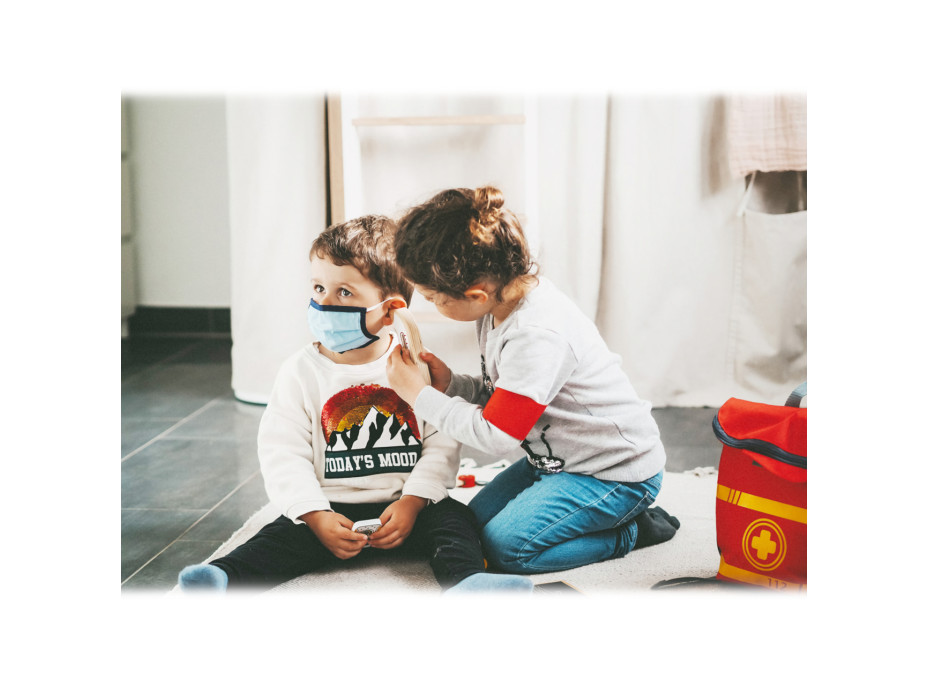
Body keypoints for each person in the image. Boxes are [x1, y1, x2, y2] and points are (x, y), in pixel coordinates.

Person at [178, 214, 533, 593]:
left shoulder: (413, 367)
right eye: (318, 288)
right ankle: (220, 577)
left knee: (456, 523)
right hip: (329, 508)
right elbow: (282, 452)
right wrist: (314, 515)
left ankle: (470, 585)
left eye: (344, 293)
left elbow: (441, 445)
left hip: (407, 506)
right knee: (276, 539)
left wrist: (413, 502)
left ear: (390, 309)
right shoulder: (300, 372)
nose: (323, 303)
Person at [385, 186, 680, 576]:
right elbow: (503, 394)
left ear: (476, 294)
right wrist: (452, 384)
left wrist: (419, 395)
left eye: (433, 298)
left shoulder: (537, 335)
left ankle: (632, 531)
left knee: (508, 550)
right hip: (555, 461)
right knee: (471, 525)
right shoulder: (500, 306)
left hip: (613, 473)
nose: (432, 305)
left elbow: (497, 435)